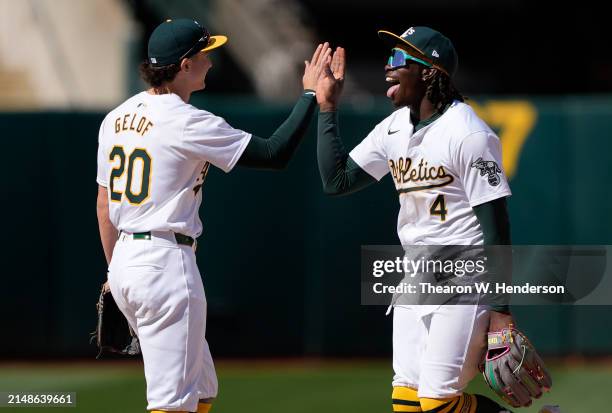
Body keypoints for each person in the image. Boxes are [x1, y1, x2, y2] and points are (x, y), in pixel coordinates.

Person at [96, 18, 330, 413]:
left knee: (202, 389)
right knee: (172, 404)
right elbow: (275, 152)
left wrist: (114, 273)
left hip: (125, 265)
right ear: (184, 65)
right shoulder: (186, 121)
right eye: (204, 52)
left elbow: (104, 205)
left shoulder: (115, 119)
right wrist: (309, 95)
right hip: (165, 265)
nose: (211, 59)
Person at [315, 27, 520, 413]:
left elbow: (497, 228)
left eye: (398, 60)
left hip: (464, 278)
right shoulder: (394, 128)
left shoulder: (468, 133)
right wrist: (327, 107)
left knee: (437, 403)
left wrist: (501, 313)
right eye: (388, 58)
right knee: (407, 402)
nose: (387, 68)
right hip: (415, 276)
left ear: (429, 72)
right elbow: (336, 181)